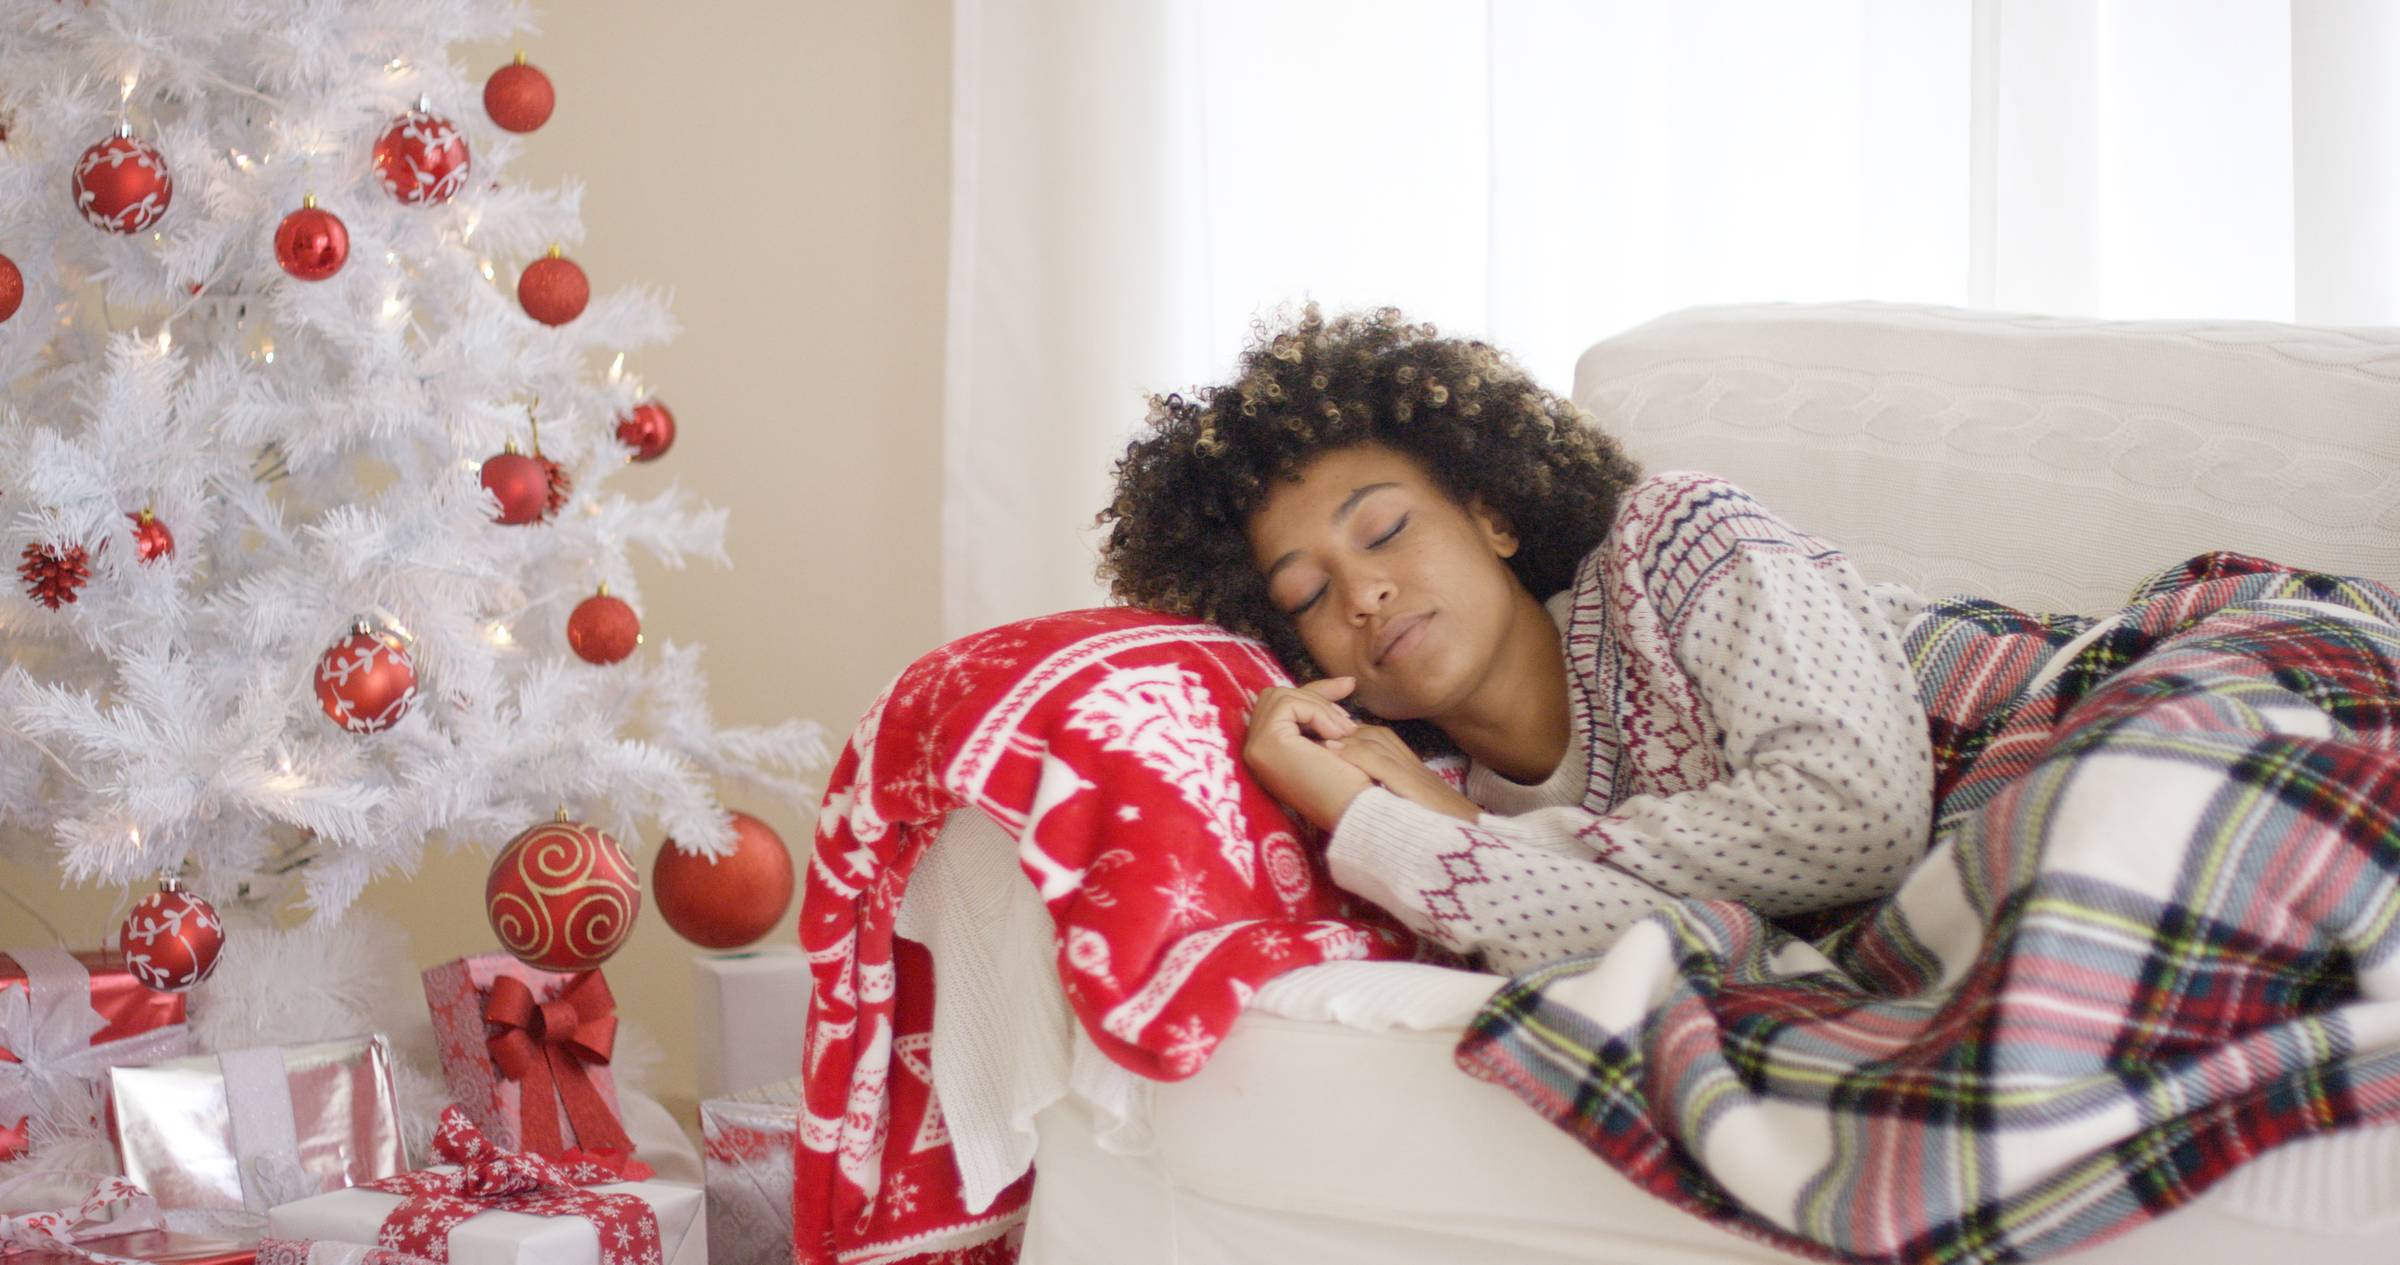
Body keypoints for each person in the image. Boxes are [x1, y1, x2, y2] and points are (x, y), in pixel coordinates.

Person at [1092, 303, 1935, 975]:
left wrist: (1474, 839)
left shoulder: (1672, 539)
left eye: (1384, 529)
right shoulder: (1422, 787)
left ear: (1492, 513)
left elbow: (1857, 818)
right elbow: (1730, 964)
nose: (1363, 592)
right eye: (1308, 594)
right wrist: (1387, 818)